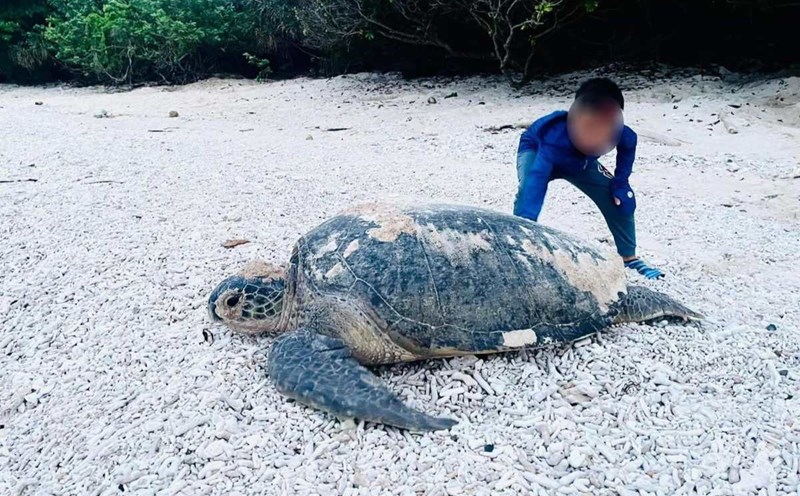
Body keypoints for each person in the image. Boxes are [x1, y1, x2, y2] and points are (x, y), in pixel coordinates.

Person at [513, 77, 664, 279]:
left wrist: (620, 184)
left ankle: (629, 258)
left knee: (621, 199)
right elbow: (535, 183)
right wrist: (527, 225)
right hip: (538, 149)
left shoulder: (624, 134)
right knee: (526, 193)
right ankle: (518, 245)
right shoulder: (555, 138)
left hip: (581, 160)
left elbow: (625, 160)